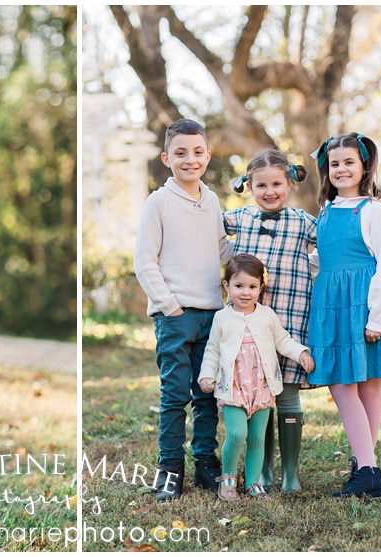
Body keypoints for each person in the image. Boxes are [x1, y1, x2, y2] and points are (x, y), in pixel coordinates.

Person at [306, 133, 381, 498]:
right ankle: (366, 464)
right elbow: (324, 259)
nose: (341, 169)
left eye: (348, 162)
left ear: (364, 167)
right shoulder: (325, 213)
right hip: (333, 302)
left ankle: (368, 468)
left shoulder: (374, 210)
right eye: (334, 163)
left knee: (360, 382)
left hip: (365, 303)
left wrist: (377, 318)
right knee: (352, 382)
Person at [133, 119, 231, 502]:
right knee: (175, 395)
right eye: (180, 153)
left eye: (197, 152)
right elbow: (145, 261)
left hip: (213, 315)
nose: (190, 160)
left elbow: (222, 250)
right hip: (175, 317)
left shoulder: (212, 200)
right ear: (166, 158)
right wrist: (170, 307)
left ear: (207, 155)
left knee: (207, 393)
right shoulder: (158, 202)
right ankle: (169, 468)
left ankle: (205, 463)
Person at [222, 149, 317, 493]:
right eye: (261, 185)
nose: (270, 191)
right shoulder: (239, 218)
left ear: (289, 183)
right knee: (257, 395)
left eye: (277, 183)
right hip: (249, 325)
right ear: (249, 186)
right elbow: (203, 223)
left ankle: (291, 471)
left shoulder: (303, 222)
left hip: (290, 318)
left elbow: (336, 242)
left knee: (287, 395)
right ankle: (264, 469)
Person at [199, 254, 314, 501]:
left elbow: (282, 341)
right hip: (233, 388)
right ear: (226, 286)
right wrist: (206, 375)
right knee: (238, 433)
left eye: (252, 287)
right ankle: (228, 478)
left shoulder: (266, 315)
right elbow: (213, 349)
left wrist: (301, 352)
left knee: (257, 438)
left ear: (261, 288)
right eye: (239, 286)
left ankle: (253, 484)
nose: (245, 292)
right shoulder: (222, 317)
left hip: (262, 388)